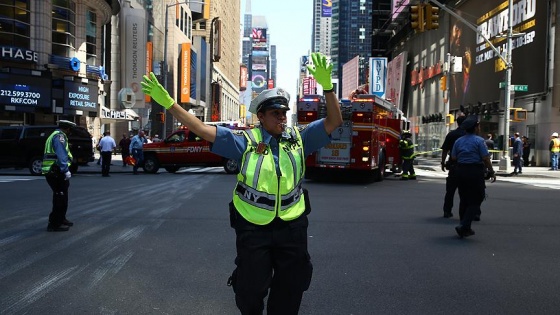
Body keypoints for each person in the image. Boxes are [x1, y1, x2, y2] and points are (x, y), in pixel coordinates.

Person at [141, 51, 342, 315]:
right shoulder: (245, 140)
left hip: (292, 225)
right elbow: (202, 129)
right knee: (251, 288)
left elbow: (334, 121)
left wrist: (327, 88)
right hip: (253, 226)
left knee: (292, 285)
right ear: (261, 116)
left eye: (284, 113)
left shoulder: (299, 138)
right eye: (275, 113)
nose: (282, 117)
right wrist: (169, 103)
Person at [450, 116, 496, 238]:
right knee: (477, 198)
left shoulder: (458, 141)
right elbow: (486, 158)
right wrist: (491, 171)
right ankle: (464, 225)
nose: (479, 128)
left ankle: (465, 227)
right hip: (475, 171)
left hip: (460, 170)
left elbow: (453, 157)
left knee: (464, 199)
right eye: (478, 126)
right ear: (475, 128)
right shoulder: (479, 141)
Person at [42, 120, 76, 232]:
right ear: (67, 128)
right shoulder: (59, 136)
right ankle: (54, 224)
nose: (70, 132)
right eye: (70, 129)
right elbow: (61, 155)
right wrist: (65, 169)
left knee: (63, 196)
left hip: (55, 171)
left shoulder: (55, 135)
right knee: (59, 197)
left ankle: (61, 219)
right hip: (55, 171)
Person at [440, 114, 466, 218]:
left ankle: (447, 211)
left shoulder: (451, 134)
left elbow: (445, 150)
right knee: (466, 191)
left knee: (450, 191)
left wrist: (443, 162)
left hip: (454, 166)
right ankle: (466, 213)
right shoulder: (469, 135)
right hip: (467, 167)